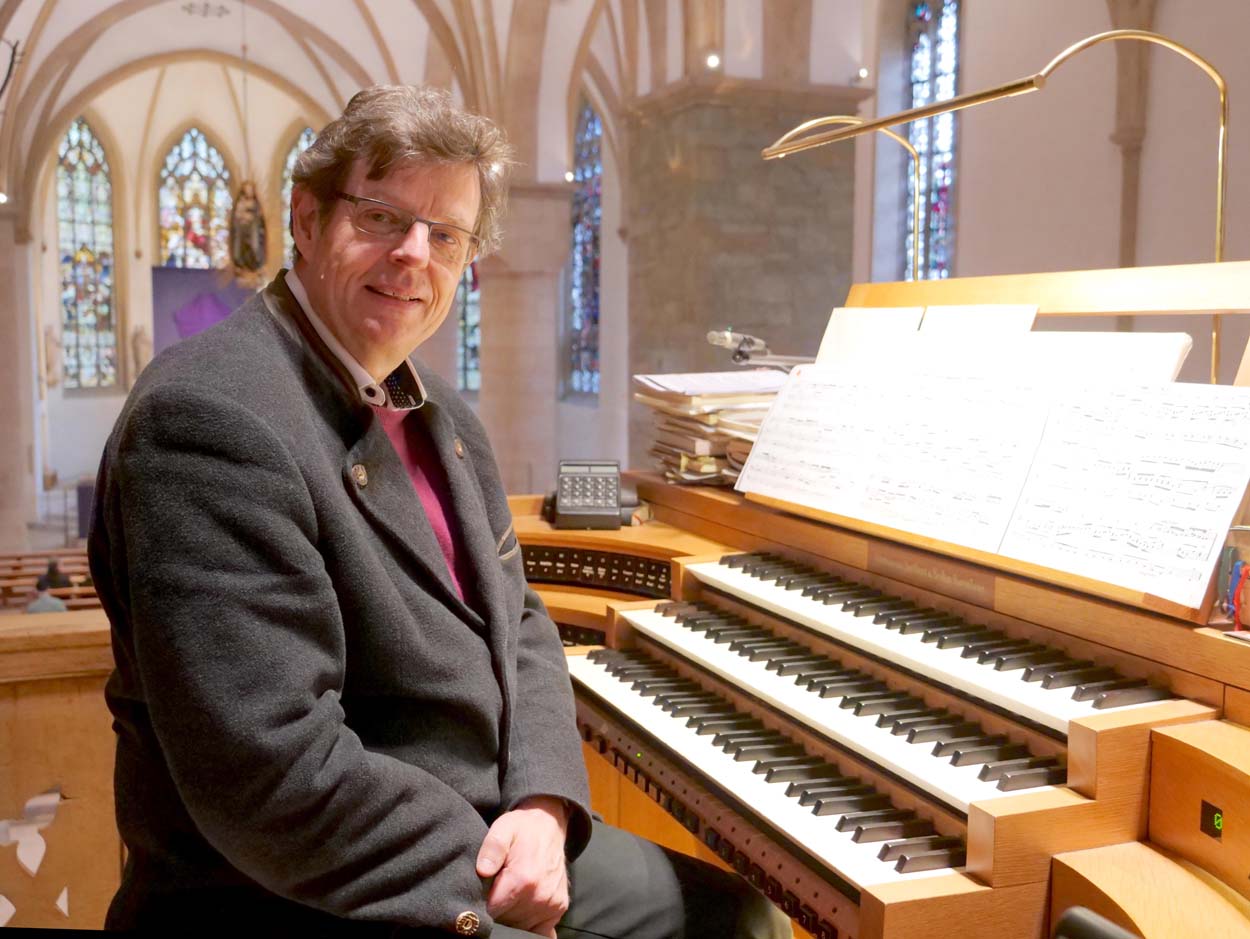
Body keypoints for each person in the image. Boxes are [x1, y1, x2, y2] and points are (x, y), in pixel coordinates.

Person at [88, 85, 790, 938]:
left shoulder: (443, 414)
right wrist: (492, 873)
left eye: (446, 234)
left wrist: (544, 802)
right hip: (307, 881)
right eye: (383, 217)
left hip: (497, 821)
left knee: (739, 918)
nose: (415, 253)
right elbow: (273, 777)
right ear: (306, 219)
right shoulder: (210, 419)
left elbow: (520, 623)